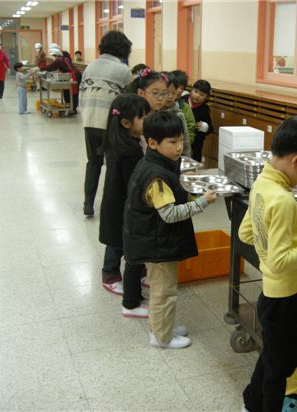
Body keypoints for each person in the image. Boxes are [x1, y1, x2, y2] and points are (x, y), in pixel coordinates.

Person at [240, 116, 297, 412]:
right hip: (285, 297)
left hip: (273, 296)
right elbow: (280, 261)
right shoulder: (281, 199)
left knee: (273, 358)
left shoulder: (263, 184)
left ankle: (251, 404)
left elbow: (246, 231)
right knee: (281, 372)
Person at [123, 110, 217, 349]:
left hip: (154, 239)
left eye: (181, 140)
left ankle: (161, 326)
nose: (179, 147)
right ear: (152, 143)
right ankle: (162, 338)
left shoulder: (156, 162)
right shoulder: (156, 176)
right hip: (157, 244)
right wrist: (202, 202)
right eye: (173, 142)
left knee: (160, 289)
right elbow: (170, 214)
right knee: (164, 292)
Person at [98, 94, 151, 306]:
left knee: (123, 239)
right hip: (119, 204)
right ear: (126, 123)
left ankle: (137, 272)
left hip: (122, 202)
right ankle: (110, 275)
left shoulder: (130, 140)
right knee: (117, 241)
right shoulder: (127, 151)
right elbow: (134, 181)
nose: (147, 121)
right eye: (143, 117)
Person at [79, 31, 133, 217]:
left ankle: (88, 204)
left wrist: (86, 116)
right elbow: (128, 102)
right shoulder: (123, 71)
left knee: (93, 163)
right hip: (109, 125)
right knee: (112, 166)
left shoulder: (90, 67)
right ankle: (110, 205)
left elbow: (81, 96)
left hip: (89, 121)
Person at [163, 71, 192, 157]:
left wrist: (187, 158)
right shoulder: (153, 114)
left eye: (173, 93)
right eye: (167, 93)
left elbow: (185, 141)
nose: (170, 97)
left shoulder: (179, 114)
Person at [185, 79, 213, 162]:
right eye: (195, 91)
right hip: (181, 139)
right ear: (191, 90)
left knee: (194, 162)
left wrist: (206, 127)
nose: (197, 96)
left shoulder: (204, 109)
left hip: (196, 142)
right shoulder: (182, 101)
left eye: (201, 94)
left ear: (206, 97)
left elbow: (211, 128)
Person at [171, 70, 196, 150]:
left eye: (182, 88)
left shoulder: (185, 107)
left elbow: (191, 127)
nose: (179, 91)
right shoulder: (162, 104)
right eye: (177, 87)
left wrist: (184, 142)